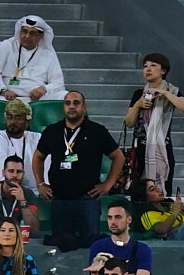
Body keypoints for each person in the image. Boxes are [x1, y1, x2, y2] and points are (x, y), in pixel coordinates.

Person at [31, 90, 123, 253]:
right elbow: (38, 157)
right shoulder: (52, 131)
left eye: (76, 103)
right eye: (67, 103)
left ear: (84, 107)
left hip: (87, 198)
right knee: (60, 248)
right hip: (59, 199)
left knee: (92, 248)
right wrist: (40, 183)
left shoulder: (97, 131)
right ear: (63, 107)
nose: (71, 106)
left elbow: (118, 156)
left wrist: (108, 184)